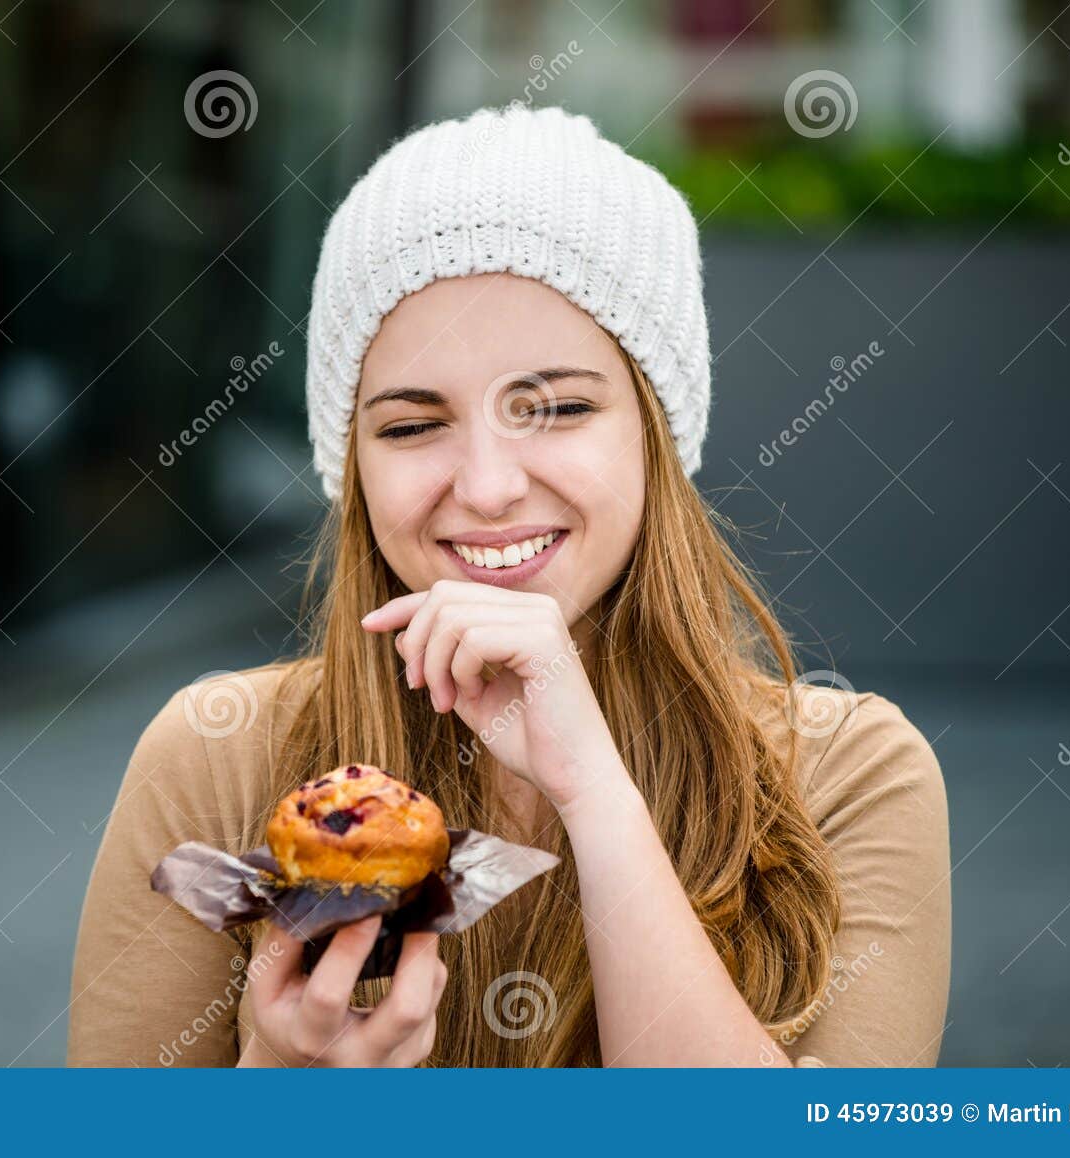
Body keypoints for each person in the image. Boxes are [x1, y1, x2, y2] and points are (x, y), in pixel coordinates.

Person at [66, 105, 950, 1067]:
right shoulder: (216, 759)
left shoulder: (850, 777)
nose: (487, 487)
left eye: (559, 407)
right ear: (353, 461)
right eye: (411, 426)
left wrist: (593, 789)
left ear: (656, 435)